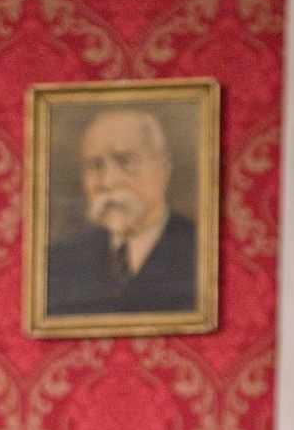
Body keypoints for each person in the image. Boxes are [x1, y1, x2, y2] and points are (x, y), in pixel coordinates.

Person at [46, 108, 196, 316]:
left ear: (163, 167)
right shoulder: (59, 261)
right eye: (95, 165)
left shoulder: (200, 250)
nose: (108, 182)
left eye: (126, 161)